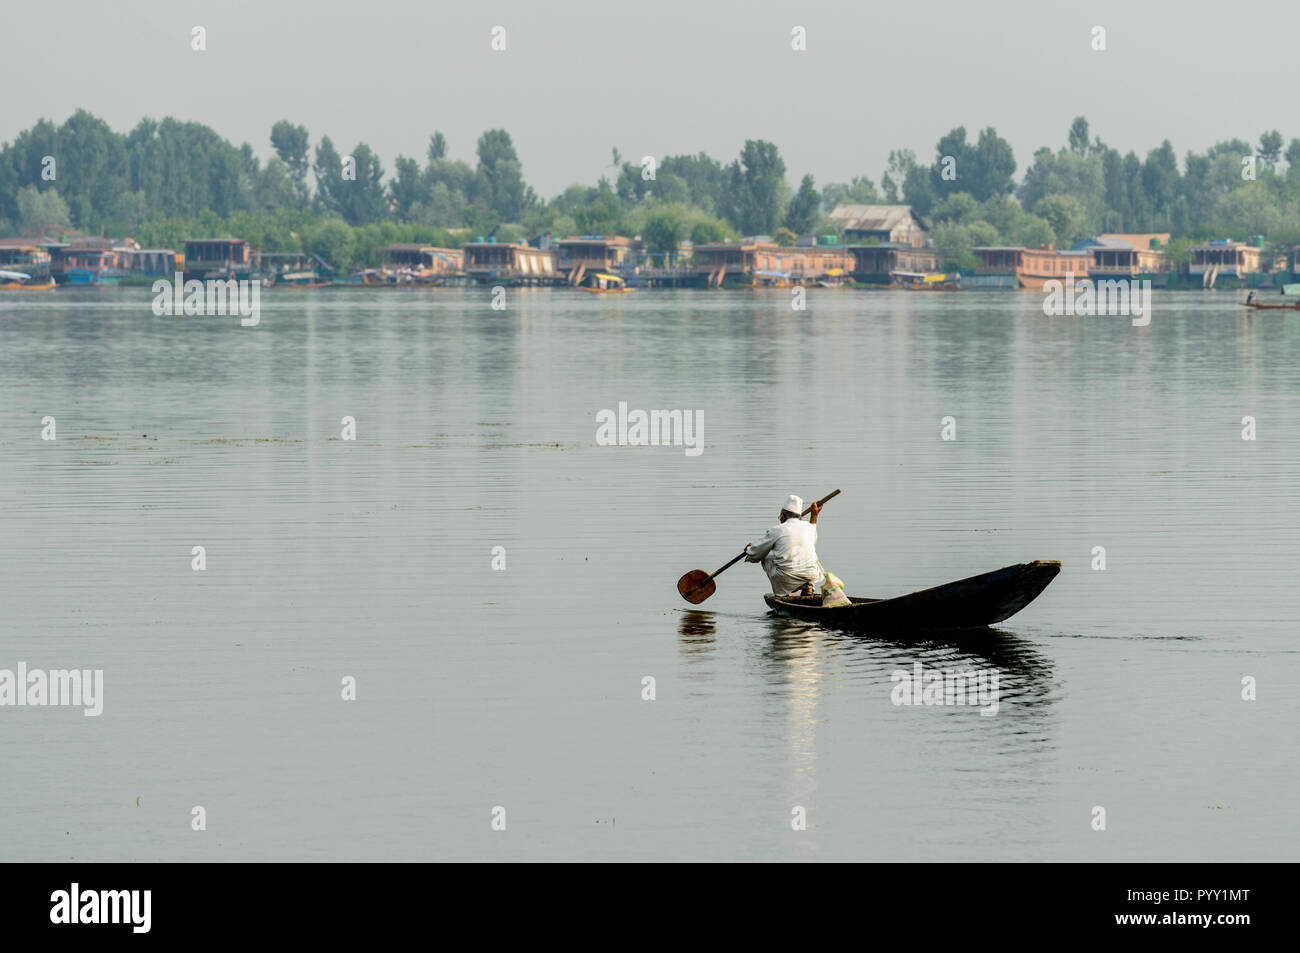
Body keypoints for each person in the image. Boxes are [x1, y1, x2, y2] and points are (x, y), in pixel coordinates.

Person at [744, 494, 850, 606]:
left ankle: (782, 594)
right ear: (799, 517)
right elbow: (812, 535)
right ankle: (808, 588)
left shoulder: (776, 530)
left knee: (766, 557)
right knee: (810, 555)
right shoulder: (809, 528)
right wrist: (815, 515)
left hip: (787, 578)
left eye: (780, 517)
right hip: (810, 576)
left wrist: (750, 549)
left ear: (783, 517)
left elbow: (756, 554)